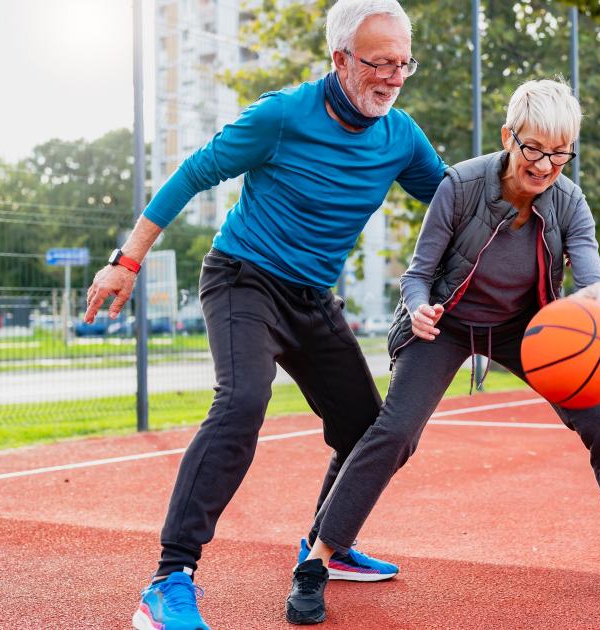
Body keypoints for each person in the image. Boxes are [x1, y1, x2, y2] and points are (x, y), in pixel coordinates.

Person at [82, 2, 446, 628]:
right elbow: (194, 172)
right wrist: (127, 260)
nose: (392, 77)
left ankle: (324, 544)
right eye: (379, 63)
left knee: (371, 432)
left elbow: (451, 199)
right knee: (243, 402)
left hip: (311, 298)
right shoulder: (281, 116)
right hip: (242, 279)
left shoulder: (401, 136)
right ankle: (168, 580)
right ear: (340, 60)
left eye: (402, 64)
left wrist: (524, 195)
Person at [286, 79, 600, 624]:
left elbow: (589, 275)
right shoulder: (461, 185)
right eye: (534, 148)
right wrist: (421, 307)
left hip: (528, 329)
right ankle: (317, 561)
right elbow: (418, 274)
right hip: (445, 324)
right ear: (508, 136)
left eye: (560, 153)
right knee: (394, 432)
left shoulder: (569, 202)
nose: (545, 165)